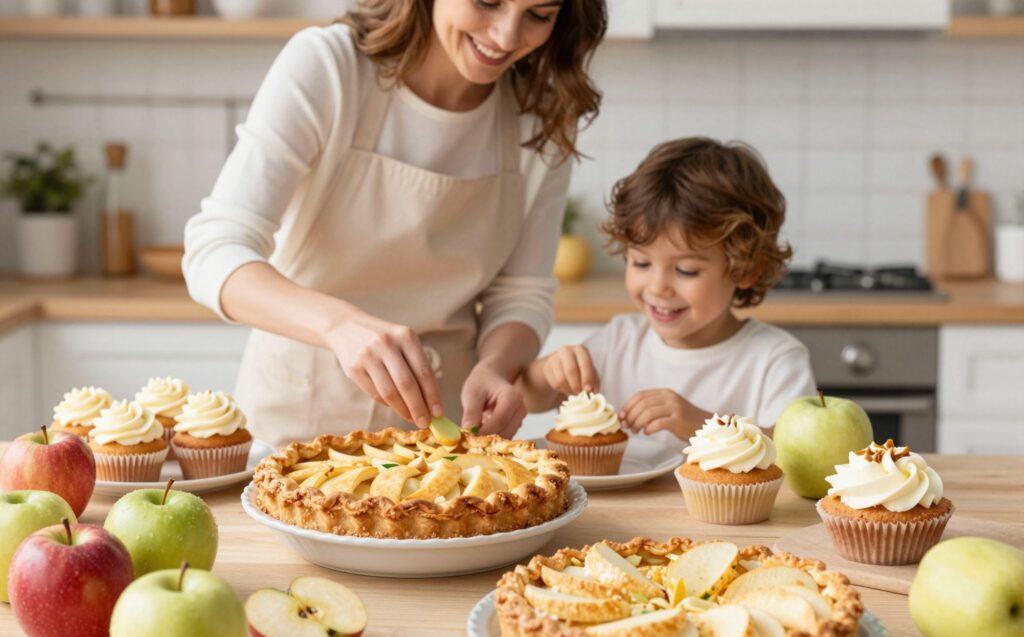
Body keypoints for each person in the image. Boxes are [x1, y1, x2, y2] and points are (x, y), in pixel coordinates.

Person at [182, 0, 607, 447]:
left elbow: (522, 293)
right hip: (294, 429)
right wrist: (339, 326)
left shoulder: (542, 114)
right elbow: (215, 249)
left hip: (442, 445)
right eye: (487, 2)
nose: (505, 36)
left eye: (538, 16)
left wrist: (496, 366)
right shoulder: (331, 66)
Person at [518, 137, 817, 449]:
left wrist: (703, 426)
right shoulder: (619, 341)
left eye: (686, 270)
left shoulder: (774, 359)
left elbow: (796, 452)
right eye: (641, 262)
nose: (658, 286)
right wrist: (547, 371)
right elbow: (528, 397)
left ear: (744, 269)